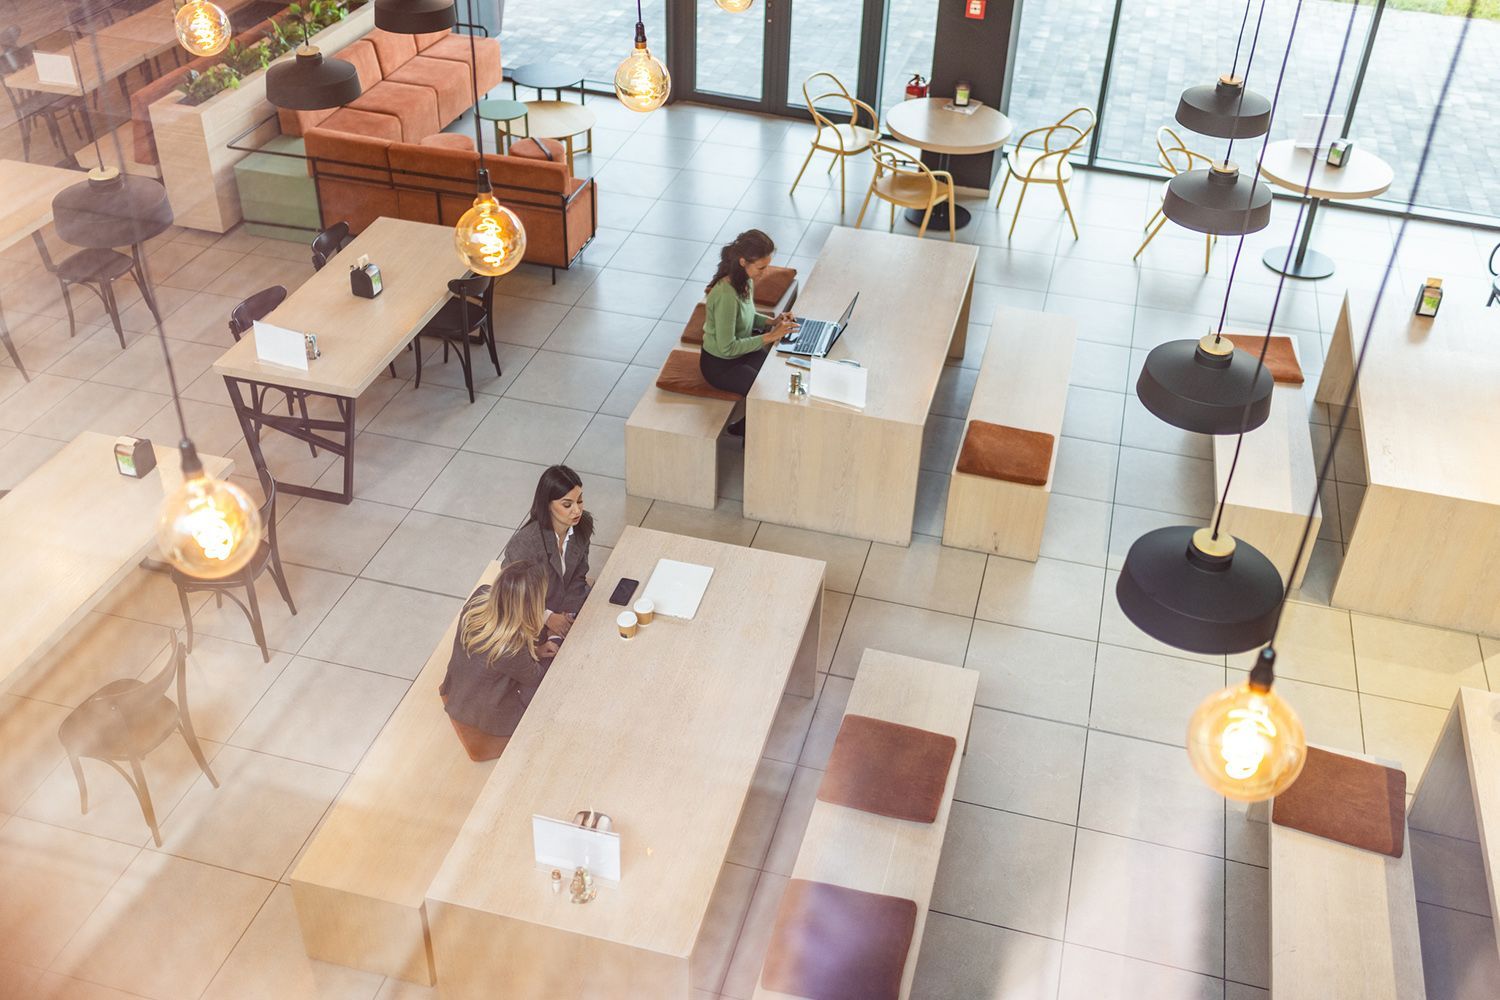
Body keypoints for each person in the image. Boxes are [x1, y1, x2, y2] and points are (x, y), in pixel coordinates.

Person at [439, 560, 558, 760]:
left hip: (458, 687)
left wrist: (535, 649)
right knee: (550, 686)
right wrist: (544, 646)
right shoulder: (510, 646)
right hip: (486, 713)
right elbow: (535, 677)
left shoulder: (480, 595)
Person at [699, 229, 799, 434]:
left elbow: (747, 316)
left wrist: (773, 321)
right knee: (764, 394)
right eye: (761, 267)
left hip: (741, 351)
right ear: (743, 262)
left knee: (776, 374)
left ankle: (752, 427)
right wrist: (770, 336)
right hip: (720, 364)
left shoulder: (745, 281)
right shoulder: (725, 294)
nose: (765, 272)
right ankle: (747, 433)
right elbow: (727, 348)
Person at [503, 464, 592, 639]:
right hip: (529, 617)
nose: (577, 510)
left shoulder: (582, 525)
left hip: (566, 608)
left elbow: (578, 574)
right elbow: (512, 595)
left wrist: (568, 612)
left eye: (579, 500)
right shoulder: (525, 543)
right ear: (548, 505)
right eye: (567, 504)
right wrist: (548, 617)